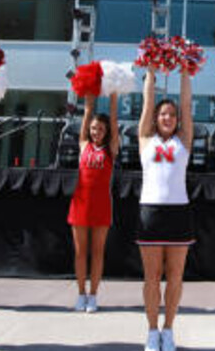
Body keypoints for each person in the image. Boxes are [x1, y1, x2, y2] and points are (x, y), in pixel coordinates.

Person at [137, 69, 195, 351]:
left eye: (172, 114)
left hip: (178, 214)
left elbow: (186, 104)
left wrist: (185, 71)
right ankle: (151, 331)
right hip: (150, 212)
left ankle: (168, 330)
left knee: (175, 276)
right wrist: (150, 70)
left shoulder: (183, 140)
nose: (168, 118)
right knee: (151, 277)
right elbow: (148, 102)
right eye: (163, 114)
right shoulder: (146, 140)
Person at [68, 91, 120, 313]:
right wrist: (88, 101)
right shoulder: (83, 145)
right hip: (80, 204)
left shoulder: (111, 149)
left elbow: (115, 121)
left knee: (98, 252)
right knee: (80, 252)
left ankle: (93, 295)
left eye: (100, 128)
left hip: (101, 205)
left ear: (106, 131)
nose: (96, 132)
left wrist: (114, 98)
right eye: (93, 128)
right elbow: (87, 114)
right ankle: (80, 293)